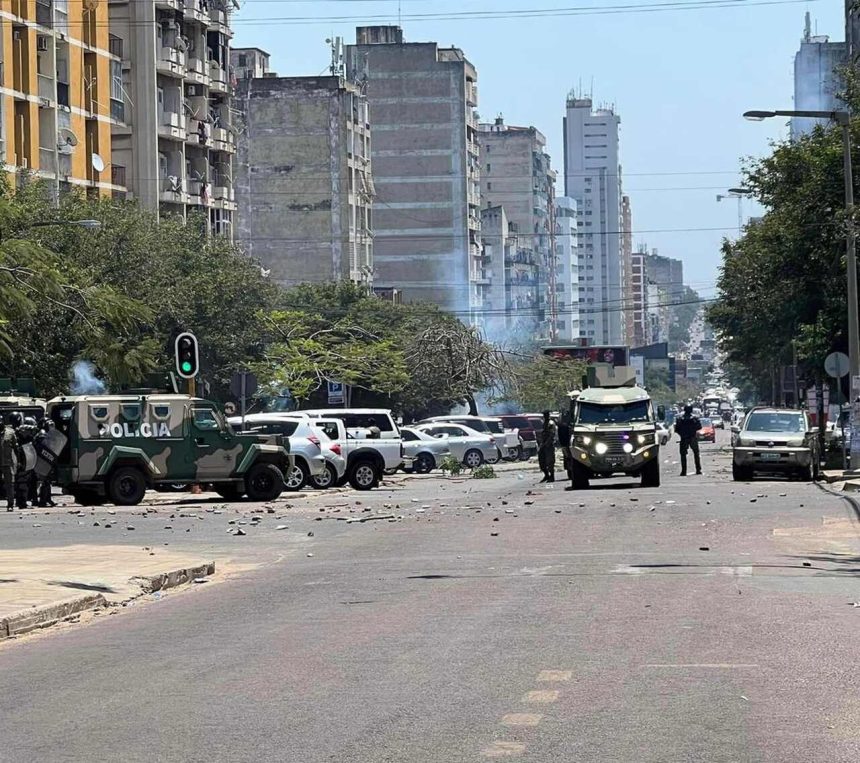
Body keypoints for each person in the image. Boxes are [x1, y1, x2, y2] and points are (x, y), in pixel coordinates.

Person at [675, 404, 702, 476]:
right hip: (692, 437)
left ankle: (684, 471)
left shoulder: (680, 419)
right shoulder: (694, 418)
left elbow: (677, 429)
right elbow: (699, 427)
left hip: (684, 438)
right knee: (696, 453)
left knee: (683, 455)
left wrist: (682, 434)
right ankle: (698, 469)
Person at [1, 412, 20, 511]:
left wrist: (19, 461)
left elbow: (16, 448)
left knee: (9, 484)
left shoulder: (10, 433)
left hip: (6, 462)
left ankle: (10, 504)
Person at [537, 410, 557, 483]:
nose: (545, 416)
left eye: (546, 415)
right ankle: (546, 475)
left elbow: (552, 434)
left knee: (550, 462)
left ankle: (552, 476)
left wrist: (547, 443)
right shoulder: (544, 423)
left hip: (549, 445)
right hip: (543, 445)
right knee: (542, 461)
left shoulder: (551, 423)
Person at [557, 411, 572, 483]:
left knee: (568, 458)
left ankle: (570, 472)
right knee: (568, 458)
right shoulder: (563, 427)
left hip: (567, 445)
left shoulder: (564, 427)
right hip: (566, 445)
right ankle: (570, 472)